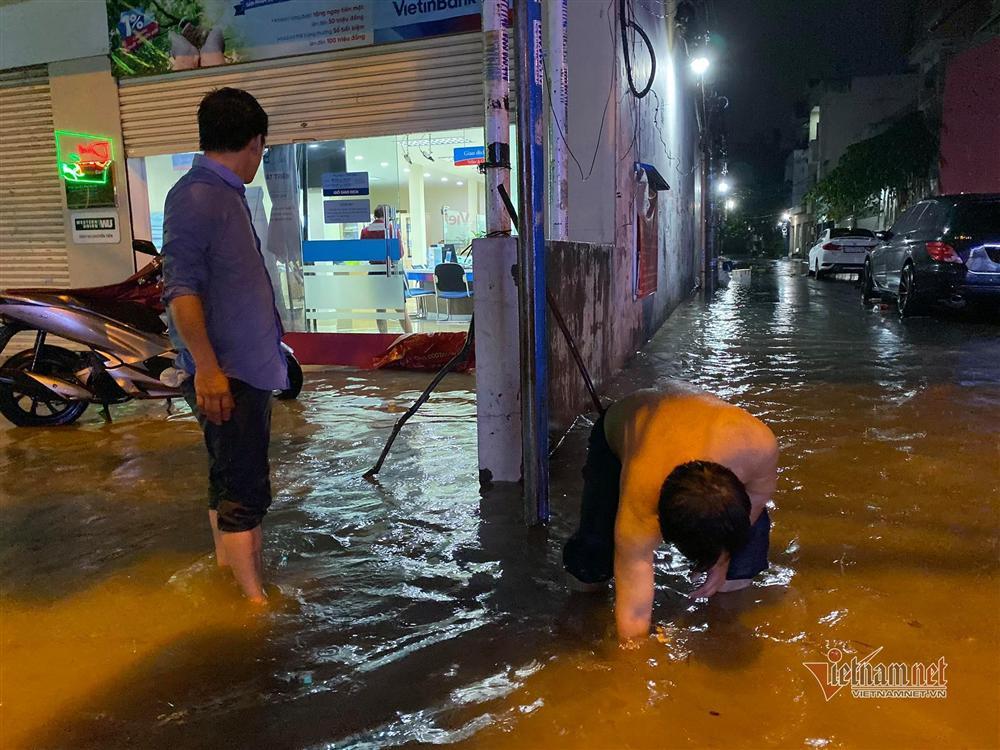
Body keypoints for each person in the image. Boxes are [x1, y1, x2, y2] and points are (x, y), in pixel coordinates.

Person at [161, 87, 288, 605]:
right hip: (229, 371)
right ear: (255, 140)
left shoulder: (221, 193)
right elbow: (181, 291)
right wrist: (209, 370)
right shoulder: (199, 197)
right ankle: (255, 605)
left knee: (228, 475)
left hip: (241, 367)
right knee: (245, 487)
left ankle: (226, 576)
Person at [562, 383, 779, 642]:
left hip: (686, 417)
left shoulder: (759, 446)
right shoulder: (643, 489)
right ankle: (579, 606)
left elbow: (755, 501)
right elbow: (634, 595)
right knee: (595, 551)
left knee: (745, 553)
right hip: (620, 429)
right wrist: (634, 662)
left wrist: (723, 562)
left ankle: (725, 628)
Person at [362, 206, 412, 334]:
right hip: (391, 271)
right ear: (388, 216)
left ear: (375, 215)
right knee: (400, 308)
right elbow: (399, 253)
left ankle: (383, 338)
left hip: (375, 272)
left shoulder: (365, 231)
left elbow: (364, 253)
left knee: (380, 309)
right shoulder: (392, 229)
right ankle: (409, 337)